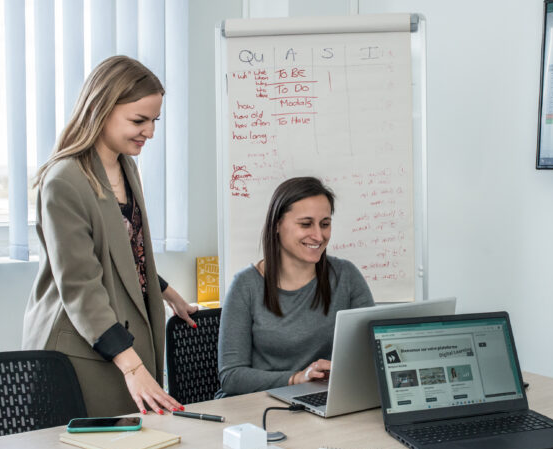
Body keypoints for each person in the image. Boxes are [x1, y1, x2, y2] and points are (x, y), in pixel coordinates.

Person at [22, 56, 198, 417]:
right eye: (139, 120)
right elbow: (81, 285)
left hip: (121, 343)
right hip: (80, 350)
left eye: (154, 121)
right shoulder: (64, 181)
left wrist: (169, 294)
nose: (149, 132)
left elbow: (124, 251)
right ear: (101, 109)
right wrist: (134, 368)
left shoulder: (125, 166)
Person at [216, 177, 375, 397]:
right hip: (258, 405)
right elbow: (231, 377)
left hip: (321, 400)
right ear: (277, 225)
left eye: (325, 224)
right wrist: (297, 379)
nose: (318, 236)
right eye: (306, 224)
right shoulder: (245, 285)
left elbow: (373, 352)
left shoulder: (346, 276)